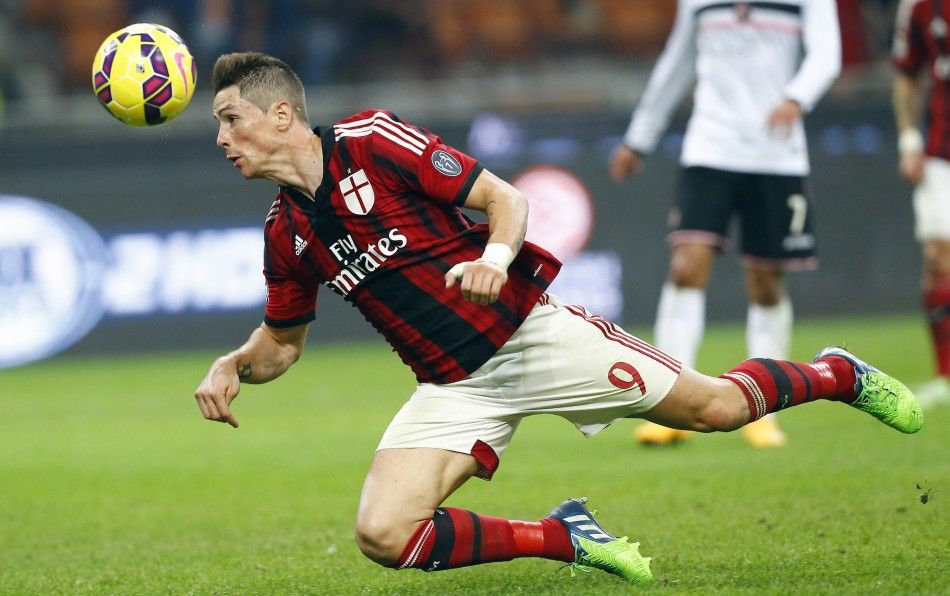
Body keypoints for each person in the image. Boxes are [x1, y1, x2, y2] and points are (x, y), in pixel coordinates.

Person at [195, 52, 922, 584]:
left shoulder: (373, 141)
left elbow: (505, 199)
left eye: (230, 119)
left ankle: (837, 373)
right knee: (383, 535)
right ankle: (563, 535)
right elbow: (281, 346)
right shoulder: (285, 231)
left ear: (281, 113)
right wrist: (236, 365)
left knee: (718, 407)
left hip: (531, 336)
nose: (222, 139)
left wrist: (496, 256)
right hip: (453, 387)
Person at [608, 0, 842, 447]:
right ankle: (670, 406)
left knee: (766, 282)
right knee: (686, 265)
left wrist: (797, 96)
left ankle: (764, 408)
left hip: (775, 154)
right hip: (710, 149)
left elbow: (826, 56)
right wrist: (640, 137)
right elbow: (676, 64)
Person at [892, 0, 950, 407]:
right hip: (941, 151)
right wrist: (909, 140)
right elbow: (907, 75)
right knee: (938, 258)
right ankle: (946, 376)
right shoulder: (919, 6)